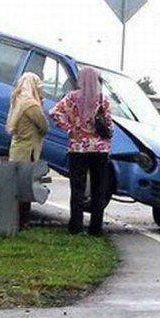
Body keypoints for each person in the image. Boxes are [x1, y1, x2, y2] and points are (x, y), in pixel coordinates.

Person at [50, 67, 113, 235]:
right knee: (98, 189)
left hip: (78, 147)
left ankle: (76, 226)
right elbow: (109, 125)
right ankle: (96, 228)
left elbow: (54, 113)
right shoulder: (103, 100)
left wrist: (70, 128)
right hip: (99, 150)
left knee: (77, 188)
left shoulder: (72, 98)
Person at [6, 72, 49, 227]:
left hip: (17, 148)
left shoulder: (17, 100)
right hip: (28, 151)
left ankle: (14, 220)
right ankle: (22, 222)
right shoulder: (31, 105)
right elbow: (44, 126)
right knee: (26, 187)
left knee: (16, 186)